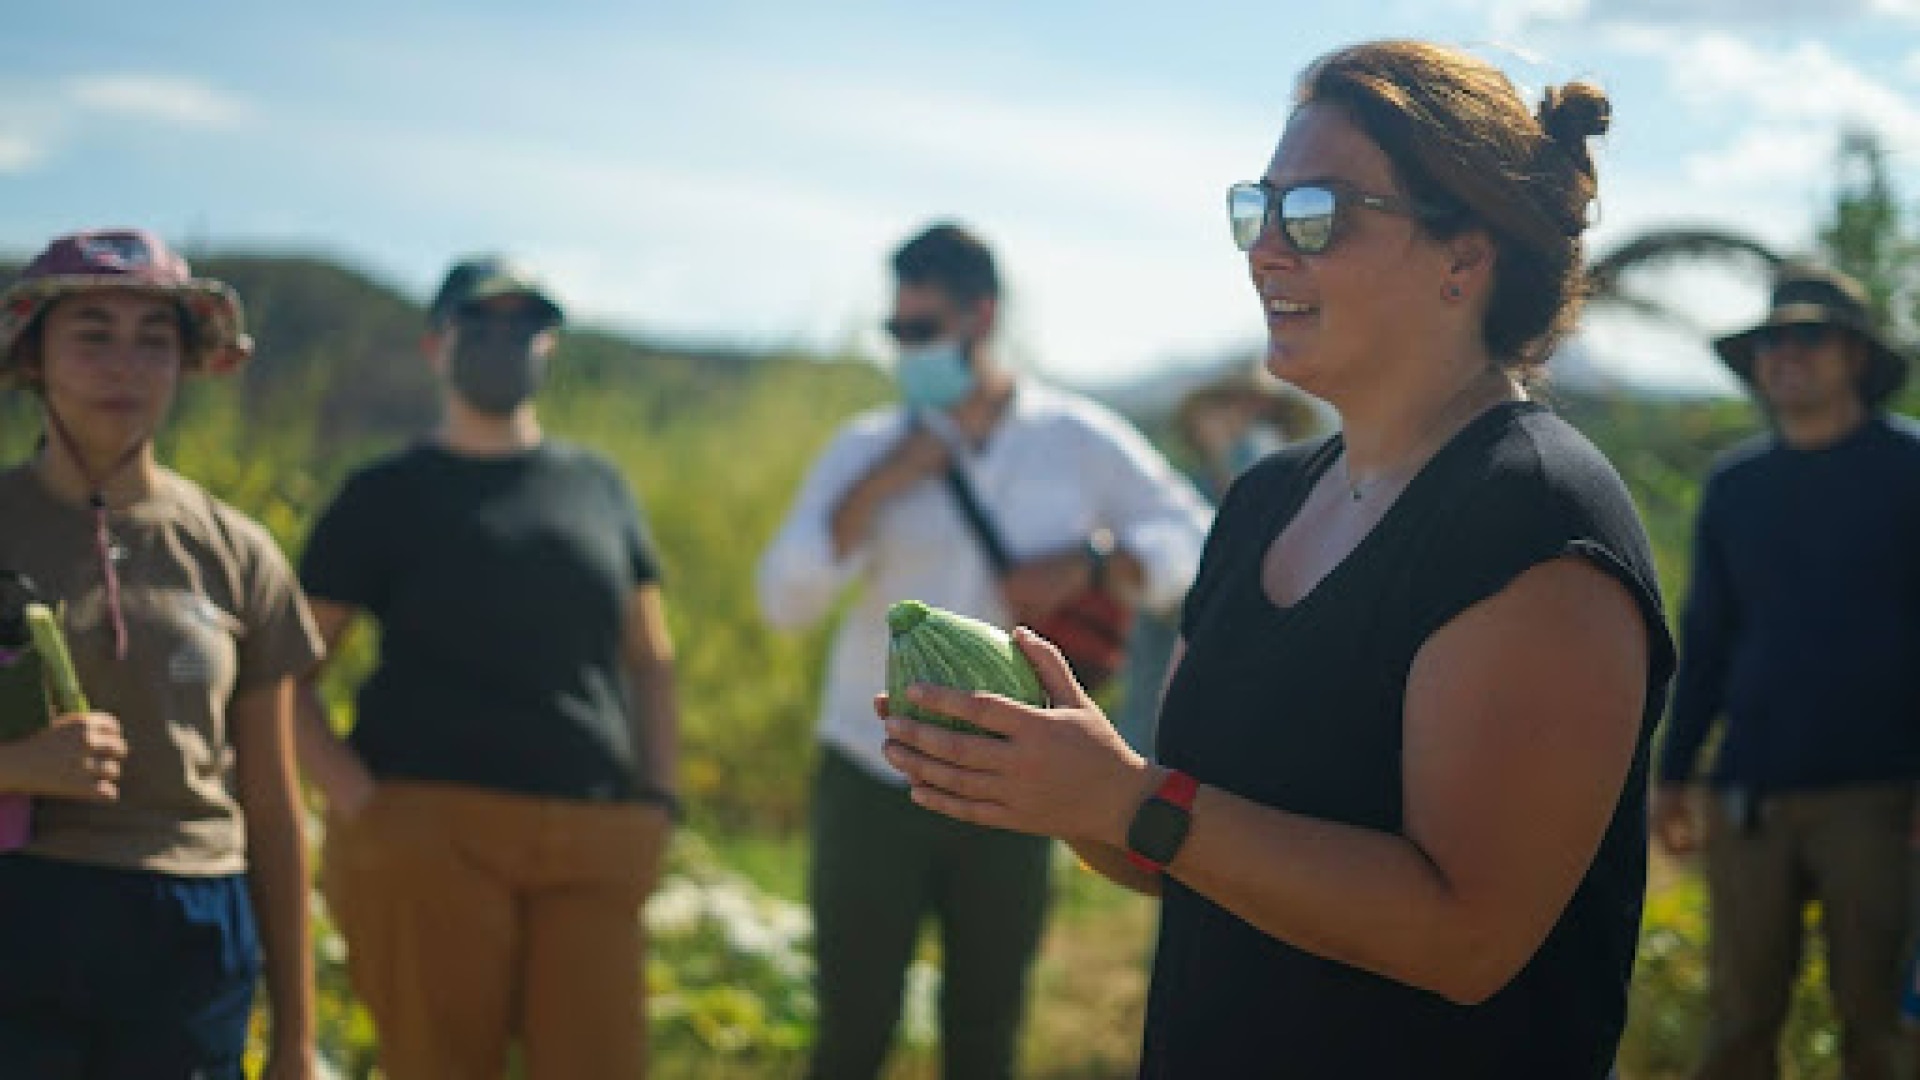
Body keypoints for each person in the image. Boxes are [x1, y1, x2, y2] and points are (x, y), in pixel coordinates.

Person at [880, 40, 1676, 1077]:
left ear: (1462, 257)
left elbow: (1467, 940)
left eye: (1319, 216)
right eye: (1259, 209)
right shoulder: (1266, 499)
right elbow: (1184, 851)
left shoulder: (1530, 518)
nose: (1264, 251)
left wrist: (1126, 798)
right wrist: (1061, 787)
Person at [756, 222, 1210, 1079]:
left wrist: (1099, 562)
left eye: (921, 330)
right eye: (894, 332)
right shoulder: (865, 447)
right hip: (871, 767)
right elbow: (785, 600)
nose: (905, 351)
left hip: (1022, 782)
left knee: (988, 1028)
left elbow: (1196, 538)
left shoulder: (1075, 440)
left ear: (982, 316)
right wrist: (880, 486)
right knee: (850, 1025)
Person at [294, 256, 681, 1079]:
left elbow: (650, 658)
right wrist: (360, 802)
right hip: (430, 835)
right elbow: (286, 674)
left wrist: (661, 797)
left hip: (594, 837)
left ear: (551, 348)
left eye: (527, 326)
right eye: (483, 325)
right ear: (437, 344)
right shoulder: (384, 494)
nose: (506, 342)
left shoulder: (597, 485)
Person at [0, 229, 321, 1078]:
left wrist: (294, 1041)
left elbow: (273, 807)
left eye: (155, 341)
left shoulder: (237, 552)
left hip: (194, 926)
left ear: (187, 363)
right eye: (93, 335)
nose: (126, 366)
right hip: (22, 902)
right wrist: (18, 766)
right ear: (33, 357)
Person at [1652, 263, 1918, 1080]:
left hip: (1882, 798)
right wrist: (1673, 773)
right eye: (1771, 341)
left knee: (1882, 1028)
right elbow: (1707, 640)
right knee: (1737, 1025)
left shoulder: (1910, 473)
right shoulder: (1736, 487)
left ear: (1857, 357)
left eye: (1809, 337)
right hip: (1750, 797)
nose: (1785, 355)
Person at [1114, 370, 1318, 753]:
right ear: (1199, 425)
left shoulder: (1315, 510)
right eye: (1229, 408)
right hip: (1158, 749)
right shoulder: (1172, 508)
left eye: (1264, 416)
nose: (1244, 424)